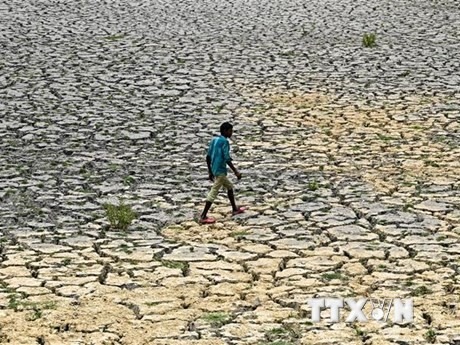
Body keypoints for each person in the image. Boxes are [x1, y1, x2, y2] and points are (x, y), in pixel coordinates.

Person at [199, 122, 246, 224]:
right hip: (220, 170)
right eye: (230, 131)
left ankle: (234, 208)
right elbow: (227, 158)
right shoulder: (225, 142)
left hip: (215, 169)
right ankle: (203, 215)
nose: (231, 133)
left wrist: (210, 171)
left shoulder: (214, 140)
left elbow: (208, 156)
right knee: (214, 191)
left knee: (229, 186)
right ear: (225, 131)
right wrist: (236, 172)